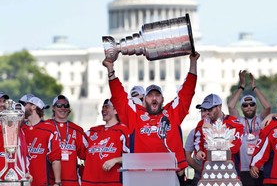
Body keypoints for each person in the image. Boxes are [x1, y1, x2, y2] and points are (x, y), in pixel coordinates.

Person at [102, 52, 200, 186]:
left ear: (162, 99)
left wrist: (193, 62)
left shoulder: (172, 113)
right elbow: (119, 97)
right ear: (144, 100)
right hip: (142, 175)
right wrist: (110, 69)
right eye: (150, 95)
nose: (154, 98)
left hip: (170, 174)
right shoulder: (135, 116)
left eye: (157, 95)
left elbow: (187, 91)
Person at [228, 70, 270, 186]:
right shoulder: (238, 121)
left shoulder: (262, 119)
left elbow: (267, 107)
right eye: (245, 105)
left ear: (256, 106)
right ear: (241, 108)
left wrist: (254, 87)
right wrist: (241, 86)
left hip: (259, 167)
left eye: (252, 104)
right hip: (243, 168)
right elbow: (231, 105)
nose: (249, 107)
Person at [82, 99, 129, 186]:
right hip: (89, 182)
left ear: (115, 110)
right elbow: (78, 151)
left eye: (107, 107)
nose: (103, 109)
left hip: (112, 182)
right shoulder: (91, 132)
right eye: (103, 107)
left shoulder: (124, 131)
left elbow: (132, 157)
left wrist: (115, 160)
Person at [194, 94, 244, 177]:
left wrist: (211, 132)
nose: (206, 113)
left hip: (229, 174)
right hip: (208, 174)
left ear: (219, 107)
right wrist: (199, 151)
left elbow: (233, 149)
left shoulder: (234, 124)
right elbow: (197, 143)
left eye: (209, 109)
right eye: (204, 110)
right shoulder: (201, 124)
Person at [46, 94, 88, 186]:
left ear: (69, 109)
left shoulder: (77, 130)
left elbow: (87, 155)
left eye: (66, 105)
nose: (63, 108)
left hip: (72, 181)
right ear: (53, 108)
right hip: (51, 181)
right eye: (59, 105)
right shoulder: (46, 127)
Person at [21, 96, 62, 186]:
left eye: (25, 104)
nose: (22, 107)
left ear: (33, 106)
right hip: (21, 181)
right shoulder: (20, 128)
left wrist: (57, 182)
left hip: (41, 181)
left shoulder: (49, 129)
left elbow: (55, 158)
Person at [250, 91, 277, 185]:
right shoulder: (269, 125)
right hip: (273, 179)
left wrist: (272, 114)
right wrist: (255, 165)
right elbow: (261, 149)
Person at [184, 104, 207, 186]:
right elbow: (187, 155)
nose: (203, 114)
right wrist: (199, 169)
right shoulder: (194, 132)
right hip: (198, 178)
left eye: (207, 110)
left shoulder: (221, 130)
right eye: (202, 111)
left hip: (219, 177)